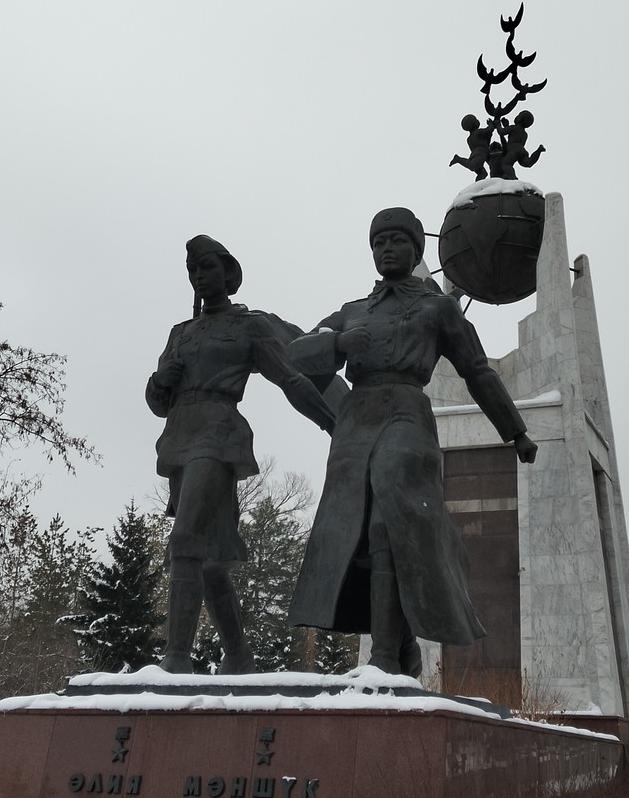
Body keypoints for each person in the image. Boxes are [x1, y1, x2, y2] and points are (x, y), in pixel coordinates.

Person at [287, 207, 537, 676]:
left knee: (390, 523)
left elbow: (476, 369)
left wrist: (515, 430)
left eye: (397, 241)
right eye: (379, 242)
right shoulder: (352, 311)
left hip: (407, 413)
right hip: (354, 425)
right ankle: (401, 645)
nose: (387, 249)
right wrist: (339, 346)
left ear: (416, 249)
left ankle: (383, 656)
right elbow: (296, 355)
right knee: (359, 532)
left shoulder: (435, 306)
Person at [146, 235, 335, 673]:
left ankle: (175, 659)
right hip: (179, 439)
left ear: (227, 274)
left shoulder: (247, 326)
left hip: (218, 434)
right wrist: (161, 379)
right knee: (210, 563)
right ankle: (238, 656)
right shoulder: (181, 333)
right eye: (193, 271)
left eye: (208, 268)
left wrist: (331, 422)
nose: (199, 276)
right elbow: (158, 404)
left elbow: (289, 378)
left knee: (186, 541)